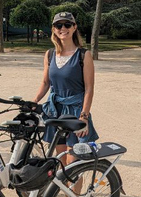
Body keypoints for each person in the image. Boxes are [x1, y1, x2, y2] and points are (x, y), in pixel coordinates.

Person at [33, 11, 98, 158]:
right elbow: (45, 83)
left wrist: (84, 117)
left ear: (74, 27)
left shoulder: (83, 55)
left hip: (75, 112)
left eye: (67, 24)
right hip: (56, 111)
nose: (63, 28)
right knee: (59, 160)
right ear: (54, 29)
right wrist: (34, 101)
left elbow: (89, 89)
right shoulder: (50, 54)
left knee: (73, 163)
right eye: (58, 25)